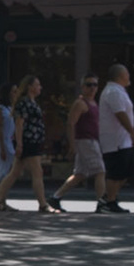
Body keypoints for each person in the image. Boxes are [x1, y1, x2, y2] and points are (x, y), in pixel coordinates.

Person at [0, 75, 58, 212]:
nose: (40, 87)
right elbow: (19, 123)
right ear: (30, 87)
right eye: (37, 85)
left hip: (33, 141)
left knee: (15, 172)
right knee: (37, 172)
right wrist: (20, 144)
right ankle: (43, 204)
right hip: (28, 142)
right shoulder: (24, 103)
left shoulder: (31, 102)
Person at [53, 75, 106, 208]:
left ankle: (55, 197)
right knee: (100, 171)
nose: (92, 88)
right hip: (85, 141)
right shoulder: (80, 103)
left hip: (92, 140)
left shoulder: (94, 103)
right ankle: (102, 203)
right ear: (83, 87)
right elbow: (71, 124)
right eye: (89, 85)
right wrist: (72, 145)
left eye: (95, 85)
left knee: (80, 174)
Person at [96, 63, 134, 213]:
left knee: (126, 171)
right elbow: (120, 114)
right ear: (120, 76)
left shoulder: (120, 91)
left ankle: (108, 197)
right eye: (127, 74)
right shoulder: (113, 91)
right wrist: (132, 132)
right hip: (116, 141)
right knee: (116, 171)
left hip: (123, 140)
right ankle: (109, 201)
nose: (129, 77)